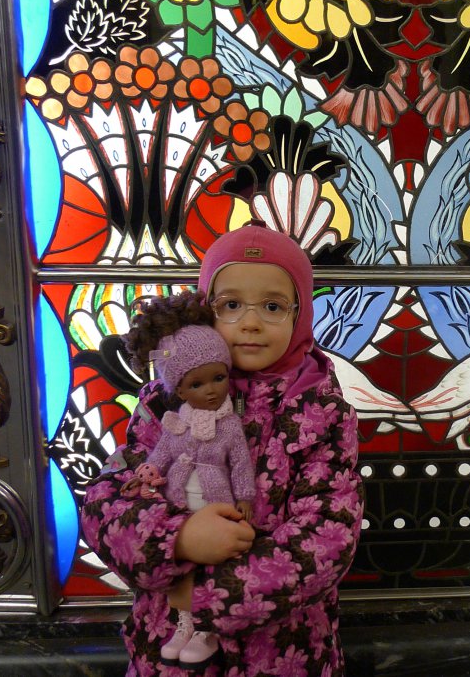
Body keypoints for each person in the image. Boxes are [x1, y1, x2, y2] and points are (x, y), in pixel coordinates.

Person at [82, 221, 364, 676]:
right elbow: (109, 499)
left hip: (283, 653)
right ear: (204, 310)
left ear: (301, 314)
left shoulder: (322, 412)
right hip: (168, 648)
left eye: (272, 306)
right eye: (230, 304)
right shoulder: (166, 401)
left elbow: (329, 536)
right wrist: (177, 539)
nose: (250, 322)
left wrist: (202, 593)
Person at [119, 292, 256, 668]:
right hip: (179, 503)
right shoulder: (174, 423)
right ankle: (184, 624)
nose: (211, 390)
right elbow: (159, 456)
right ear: (179, 390)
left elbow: (240, 464)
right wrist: (144, 477)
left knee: (213, 568)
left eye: (219, 378)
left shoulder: (229, 425)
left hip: (217, 502)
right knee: (183, 572)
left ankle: (205, 629)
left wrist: (245, 496)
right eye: (197, 384)